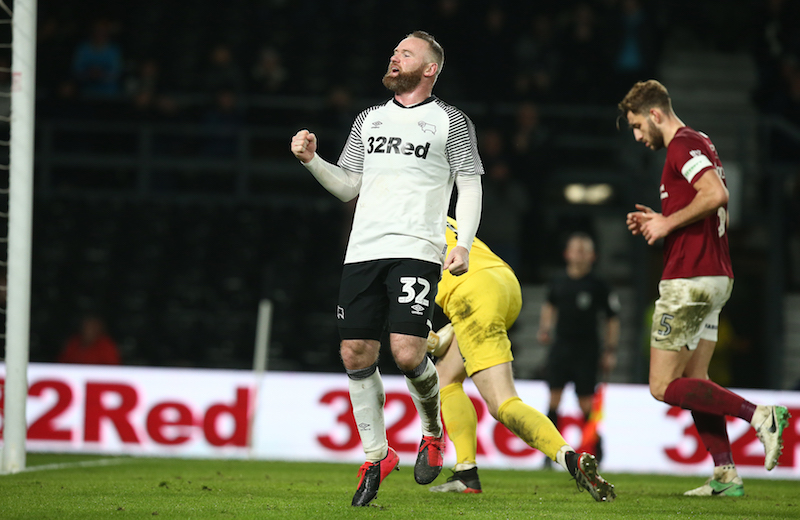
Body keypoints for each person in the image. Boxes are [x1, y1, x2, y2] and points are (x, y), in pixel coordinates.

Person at [290, 31, 484, 507]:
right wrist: (313, 160)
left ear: (430, 68)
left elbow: (472, 184)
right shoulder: (368, 119)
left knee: (406, 352)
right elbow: (347, 187)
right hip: (363, 251)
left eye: (406, 53)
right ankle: (377, 455)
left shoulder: (450, 122)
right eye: (395, 52)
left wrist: (464, 245)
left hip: (417, 247)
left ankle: (432, 430)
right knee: (355, 352)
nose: (395, 57)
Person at [620, 79, 790, 497]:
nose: (639, 137)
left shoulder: (681, 145)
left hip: (690, 279)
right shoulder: (699, 144)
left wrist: (666, 223)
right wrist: (661, 217)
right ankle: (725, 473)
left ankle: (760, 415)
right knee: (695, 379)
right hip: (713, 275)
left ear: (655, 114)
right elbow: (706, 202)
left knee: (662, 386)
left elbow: (716, 194)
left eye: (639, 126)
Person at [425, 218, 616, 502]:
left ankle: (571, 460)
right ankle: (466, 472)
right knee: (446, 378)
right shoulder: (441, 213)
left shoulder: (398, 227)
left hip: (473, 293)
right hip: (502, 281)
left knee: (502, 403)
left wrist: (427, 338)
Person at [538, 232, 620, 463]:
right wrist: (545, 329)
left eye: (585, 250)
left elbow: (612, 318)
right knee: (554, 399)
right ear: (567, 254)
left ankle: (595, 448)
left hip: (587, 349)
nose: (580, 254)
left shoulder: (599, 285)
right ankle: (549, 451)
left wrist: (610, 350)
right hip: (561, 347)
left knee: (585, 402)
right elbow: (549, 305)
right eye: (576, 249)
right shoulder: (558, 280)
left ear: (593, 256)